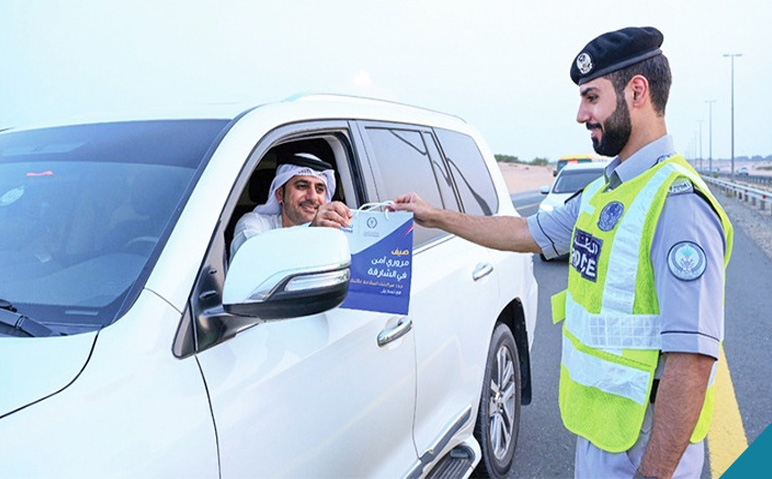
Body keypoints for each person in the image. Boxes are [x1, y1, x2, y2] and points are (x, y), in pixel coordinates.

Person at [394, 26, 733, 479]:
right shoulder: (604, 192)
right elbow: (522, 232)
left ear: (636, 92)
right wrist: (436, 216)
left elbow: (691, 362)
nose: (580, 114)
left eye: (591, 97)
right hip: (601, 439)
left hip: (646, 453)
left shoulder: (678, 203)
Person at [230, 152, 352, 258]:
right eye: (302, 186)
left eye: (319, 189)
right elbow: (253, 259)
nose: (313, 197)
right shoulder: (254, 223)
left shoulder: (334, 234)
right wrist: (310, 233)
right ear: (279, 194)